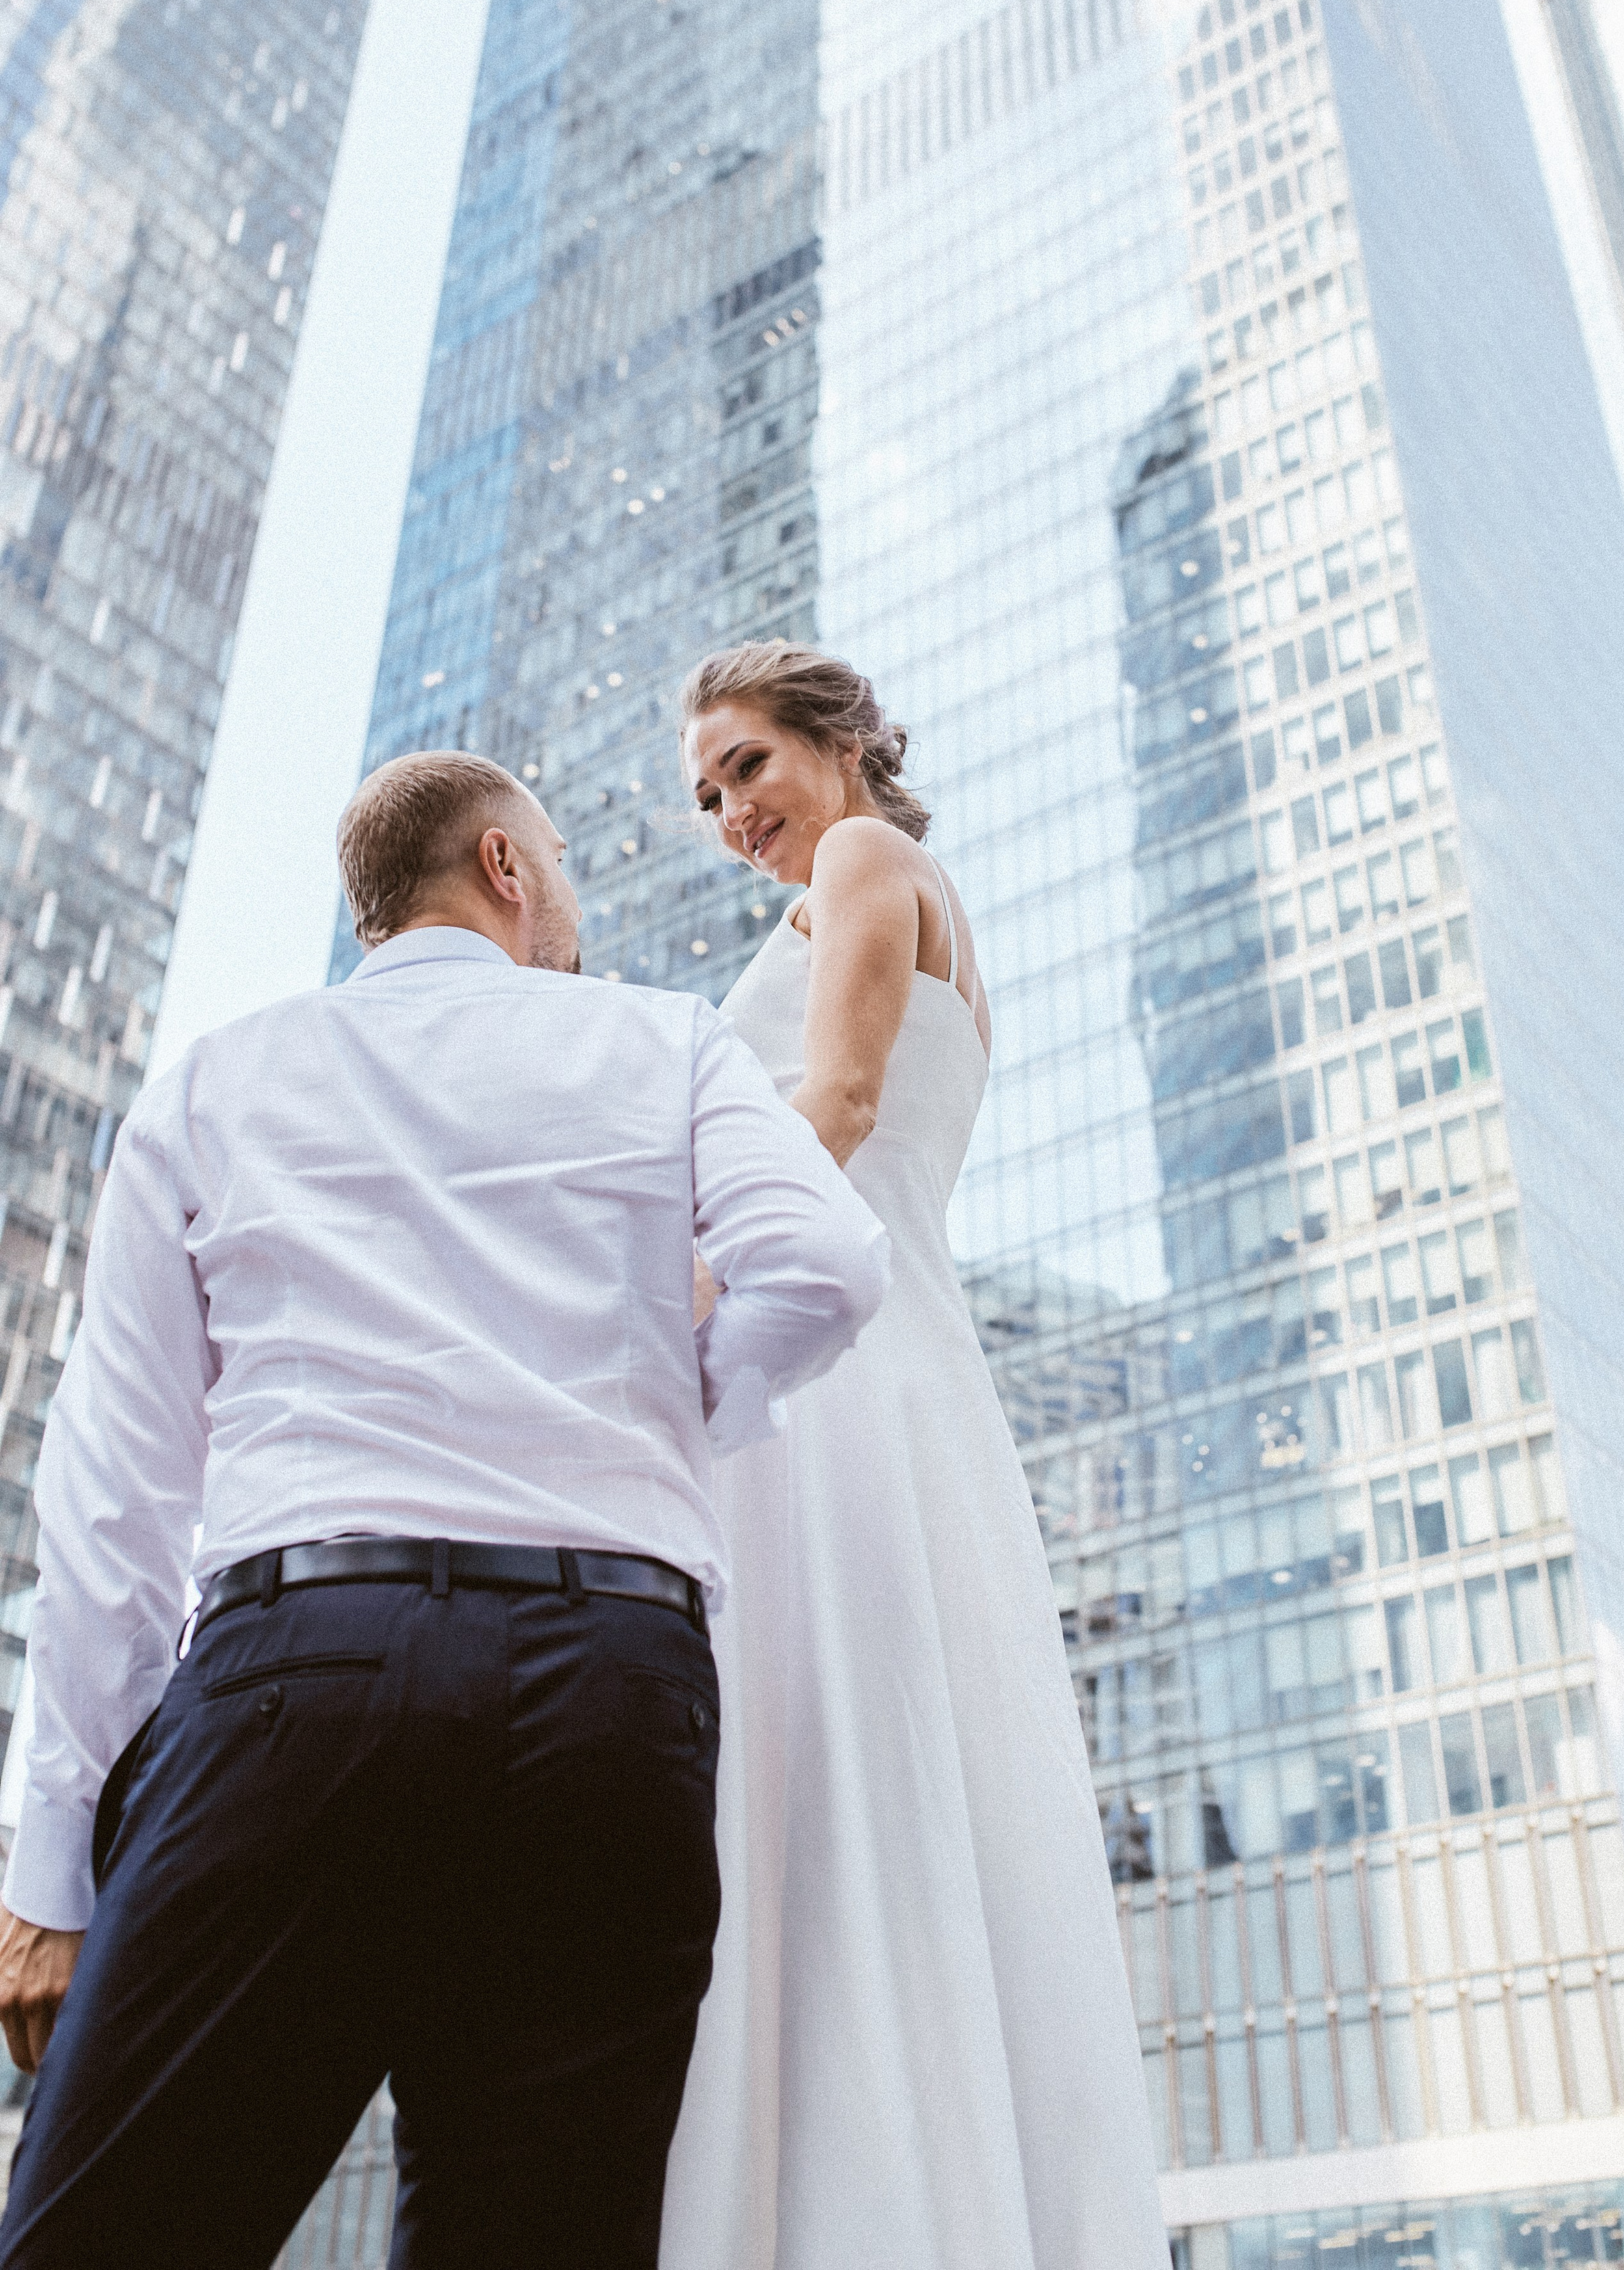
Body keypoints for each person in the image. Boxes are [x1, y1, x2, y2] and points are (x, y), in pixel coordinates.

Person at [0, 750, 888, 2270]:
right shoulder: (662, 1043)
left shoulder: (218, 1079)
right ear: (499, 865)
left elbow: (116, 1491)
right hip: (612, 1694)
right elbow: (823, 1263)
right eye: (559, 860)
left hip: (302, 1673)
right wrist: (681, 1407)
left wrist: (47, 1876)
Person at [662, 642, 1165, 2269]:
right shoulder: (888, 885)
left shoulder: (870, 860)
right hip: (886, 1364)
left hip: (840, 1379)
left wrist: (677, 1302)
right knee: (858, 1764)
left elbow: (839, 1105)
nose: (729, 809)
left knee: (833, 1765)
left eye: (745, 765)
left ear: (840, 738)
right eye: (705, 793)